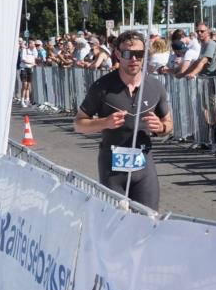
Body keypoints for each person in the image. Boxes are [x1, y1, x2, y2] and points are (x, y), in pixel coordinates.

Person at [73, 30, 172, 210]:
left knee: (147, 223)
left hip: (144, 168)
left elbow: (169, 124)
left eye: (139, 54)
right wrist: (104, 122)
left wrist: (161, 127)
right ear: (118, 54)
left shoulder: (155, 86)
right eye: (127, 54)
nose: (134, 59)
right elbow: (79, 124)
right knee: (115, 226)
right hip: (112, 168)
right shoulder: (102, 87)